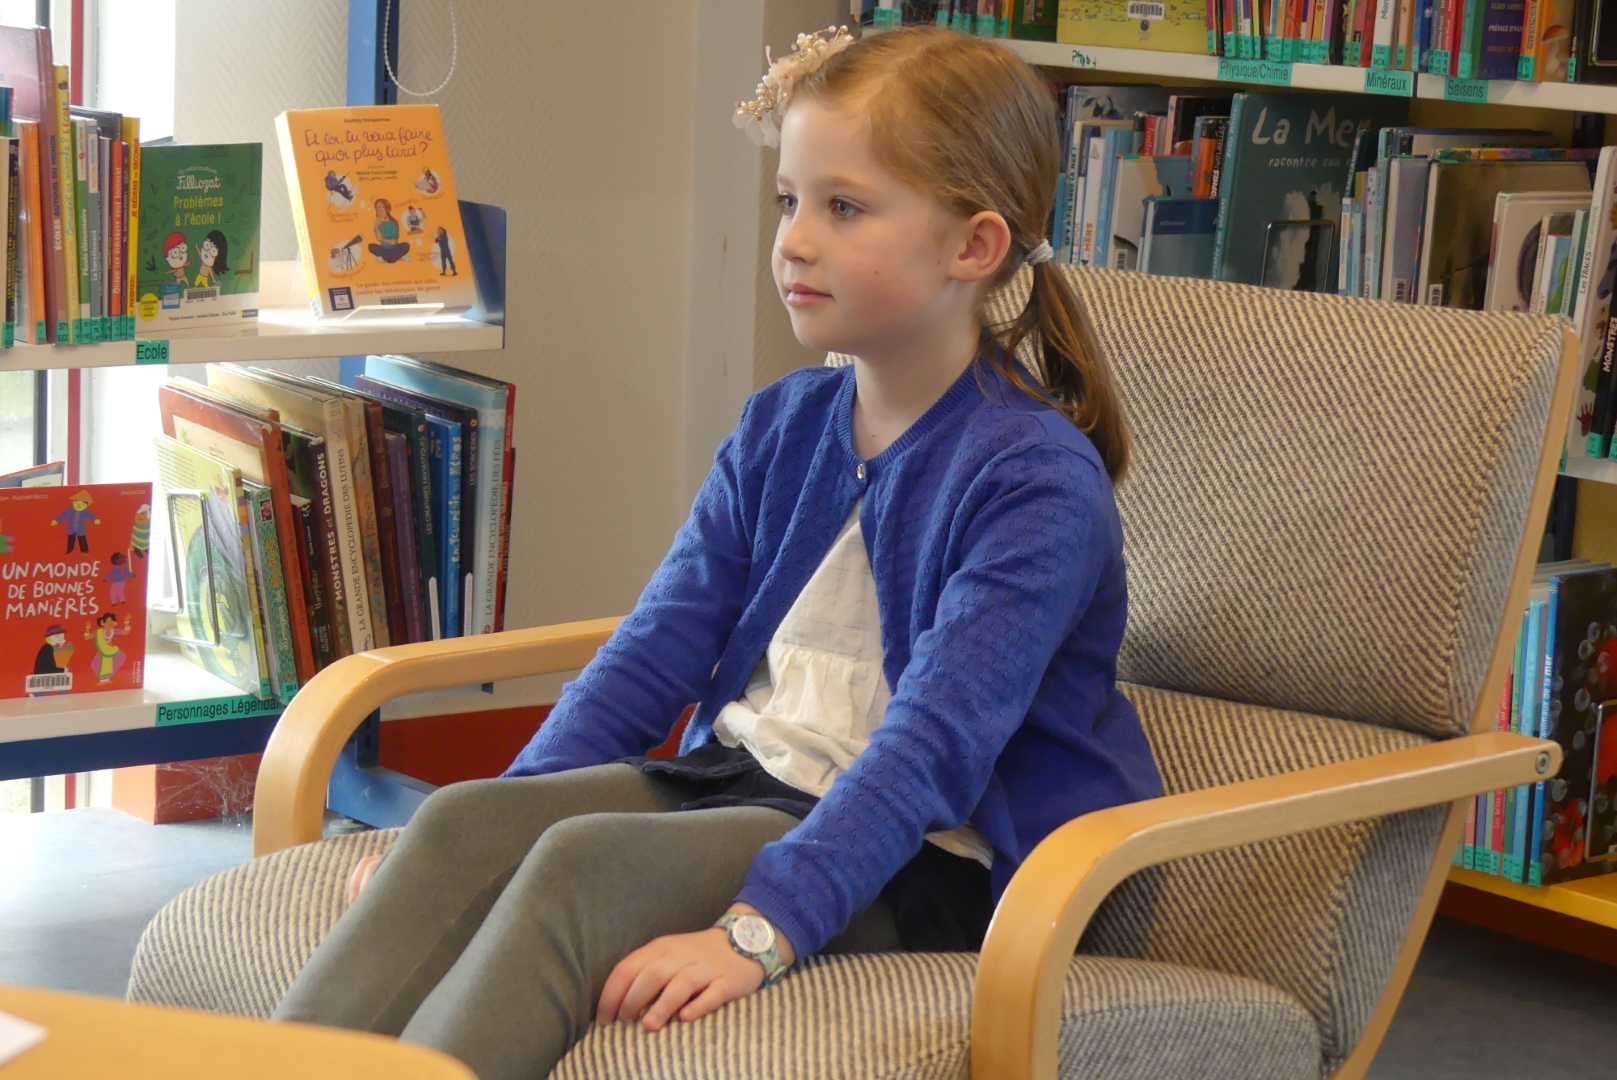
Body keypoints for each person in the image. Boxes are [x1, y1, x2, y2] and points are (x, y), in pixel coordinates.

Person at [275, 26, 1161, 1080]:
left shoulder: (1033, 480)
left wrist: (762, 929)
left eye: (844, 208)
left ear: (972, 246)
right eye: (789, 200)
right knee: (461, 820)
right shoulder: (782, 425)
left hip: (930, 855)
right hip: (740, 781)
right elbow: (654, 652)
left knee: (584, 864)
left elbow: (932, 751)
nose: (793, 241)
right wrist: (495, 824)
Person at [366, 198, 410, 264]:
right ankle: (397, 256)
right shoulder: (378, 224)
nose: (380, 210)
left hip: (394, 249)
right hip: (384, 250)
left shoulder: (393, 224)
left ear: (387, 209)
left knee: (405, 245)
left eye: (382, 207)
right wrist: (376, 226)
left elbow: (394, 242)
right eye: (378, 208)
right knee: (371, 246)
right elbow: (379, 238)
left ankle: (388, 257)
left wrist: (383, 239)